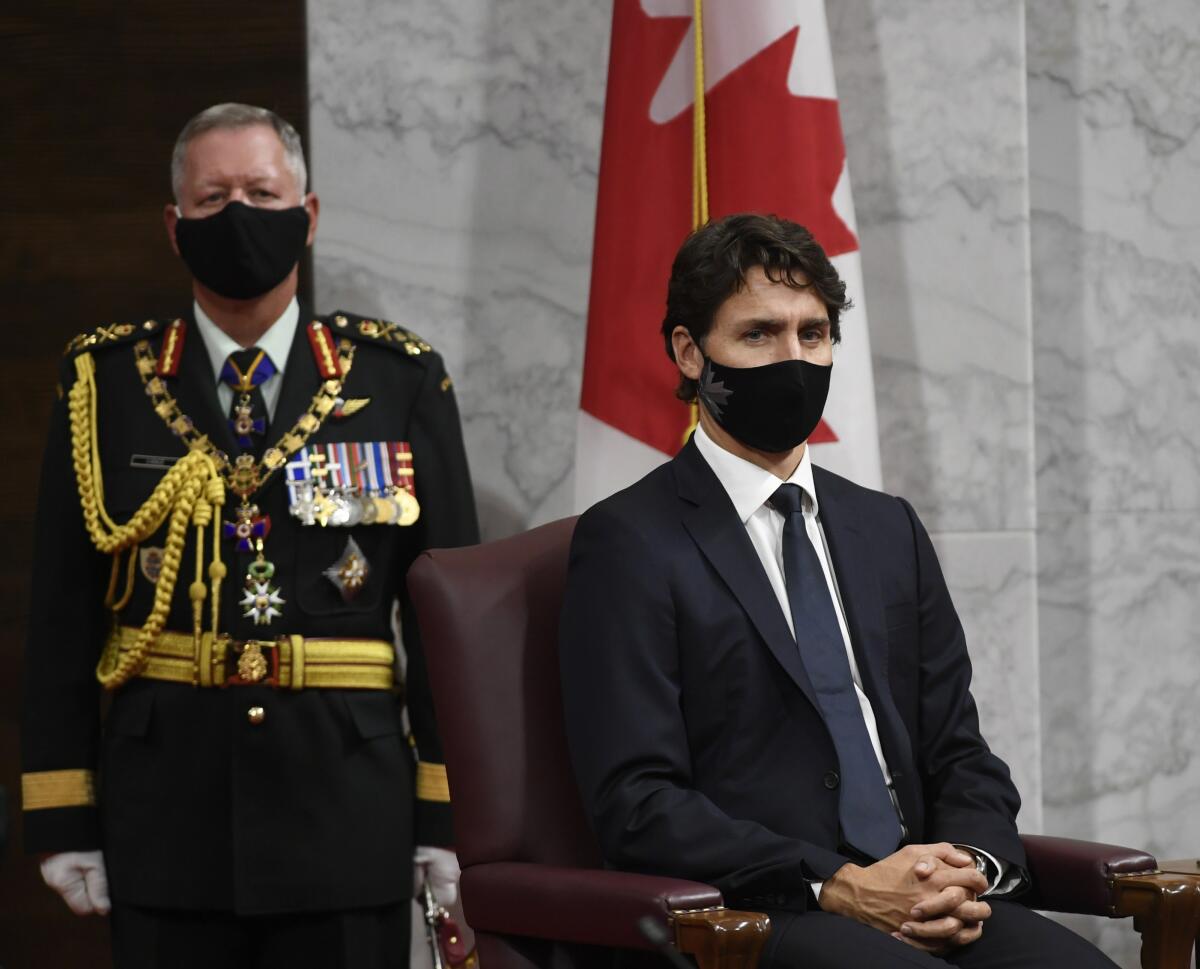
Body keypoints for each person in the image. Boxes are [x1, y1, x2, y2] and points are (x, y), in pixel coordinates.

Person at [559, 213, 1117, 968]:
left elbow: (960, 750)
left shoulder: (886, 528)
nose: (793, 358)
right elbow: (639, 801)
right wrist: (839, 884)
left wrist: (963, 867)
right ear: (690, 354)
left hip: (924, 891)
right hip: (762, 909)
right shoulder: (629, 540)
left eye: (813, 334)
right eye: (758, 334)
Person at [21, 103, 479, 968]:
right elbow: (60, 615)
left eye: (262, 193)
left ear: (307, 216)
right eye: (213, 196)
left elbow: (447, 623)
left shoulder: (397, 379)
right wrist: (62, 809)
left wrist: (444, 814)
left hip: (348, 811)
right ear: (175, 224)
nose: (238, 214)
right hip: (163, 818)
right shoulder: (104, 387)